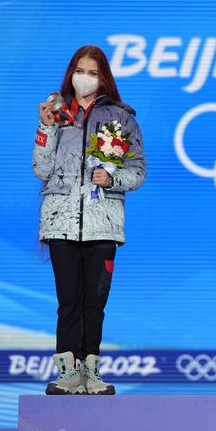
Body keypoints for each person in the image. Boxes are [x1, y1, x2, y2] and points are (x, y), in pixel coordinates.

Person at [32, 45, 146, 395]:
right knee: (68, 301)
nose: (85, 78)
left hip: (103, 224)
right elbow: (41, 169)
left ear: (104, 78)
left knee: (94, 302)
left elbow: (138, 171)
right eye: (80, 70)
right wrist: (46, 128)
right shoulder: (57, 113)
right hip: (60, 223)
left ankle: (91, 373)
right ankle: (67, 374)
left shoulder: (121, 118)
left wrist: (111, 179)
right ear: (71, 73)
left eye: (93, 73)